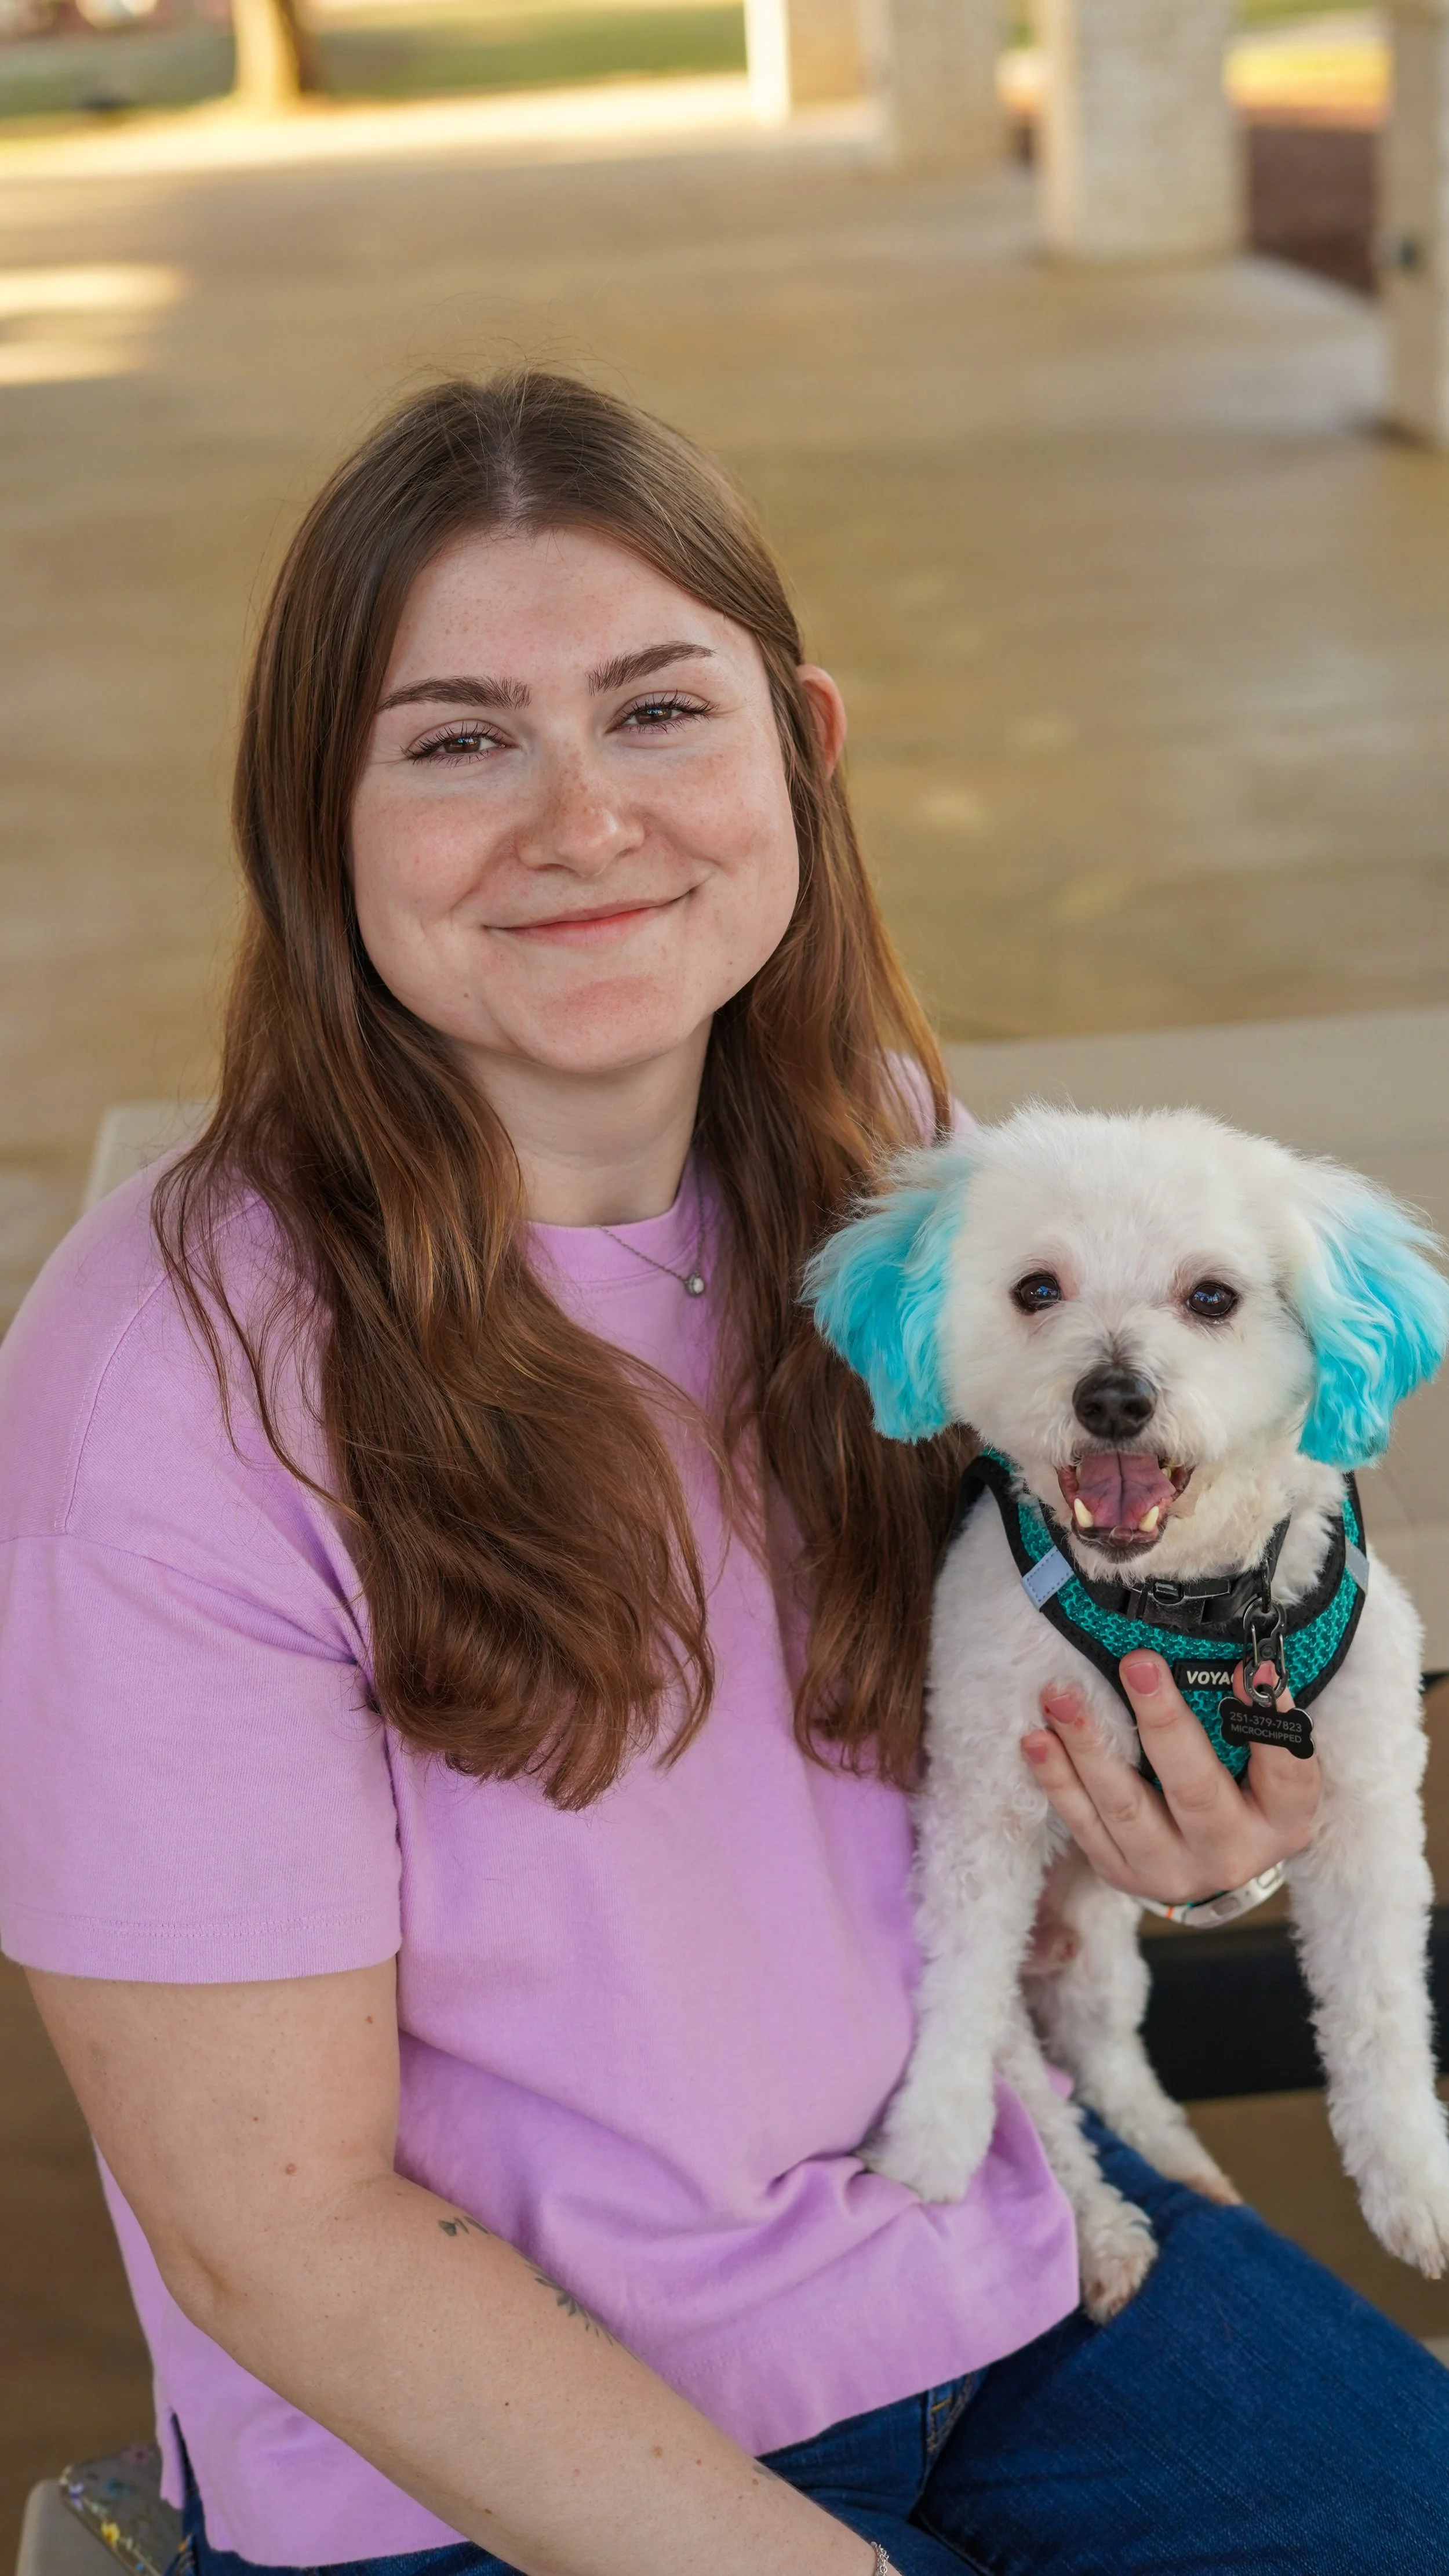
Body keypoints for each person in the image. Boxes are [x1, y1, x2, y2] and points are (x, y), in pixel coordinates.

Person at [1, 372, 1445, 2576]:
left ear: (805, 751)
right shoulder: (167, 1387)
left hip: (971, 2235)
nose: (582, 822)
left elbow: (999, 1712)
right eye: (460, 736)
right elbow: (278, 2236)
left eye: (658, 711)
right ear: (313, 819)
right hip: (470, 2453)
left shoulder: (890, 1171)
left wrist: (1202, 1852)